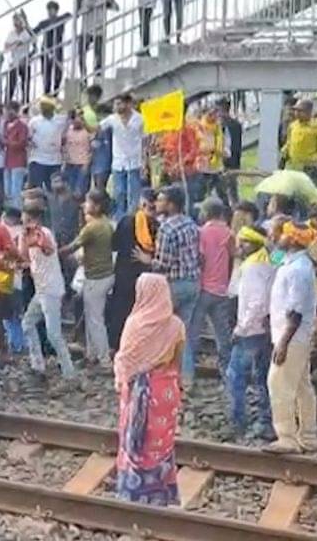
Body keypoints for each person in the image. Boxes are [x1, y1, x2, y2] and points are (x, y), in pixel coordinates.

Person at [114, 273, 184, 505]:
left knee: (135, 437)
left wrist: (122, 381)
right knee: (161, 442)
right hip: (165, 390)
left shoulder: (134, 323)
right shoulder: (176, 325)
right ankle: (161, 492)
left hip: (136, 390)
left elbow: (125, 360)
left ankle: (133, 493)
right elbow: (177, 361)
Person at [264, 222, 317, 454]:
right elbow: (272, 255)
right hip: (296, 336)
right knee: (301, 387)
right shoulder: (294, 264)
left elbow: (295, 311)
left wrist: (283, 342)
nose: (279, 237)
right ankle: (308, 436)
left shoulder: (298, 270)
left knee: (279, 383)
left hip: (292, 337)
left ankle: (286, 437)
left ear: (294, 240)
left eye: (284, 235)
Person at [141, 186, 202, 385]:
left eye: (160, 200)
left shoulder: (167, 229)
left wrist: (147, 260)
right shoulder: (191, 223)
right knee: (183, 332)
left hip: (174, 284)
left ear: (171, 204)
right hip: (192, 282)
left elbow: (163, 264)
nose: (156, 203)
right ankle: (186, 377)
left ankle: (157, 374)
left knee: (158, 328)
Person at [226, 225, 274, 442]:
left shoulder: (253, 267)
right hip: (263, 330)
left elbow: (256, 303)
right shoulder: (265, 262)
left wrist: (241, 328)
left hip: (250, 331)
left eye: (244, 241)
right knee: (263, 377)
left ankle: (238, 420)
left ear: (254, 243)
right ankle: (266, 420)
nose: (240, 245)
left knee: (235, 375)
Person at [19, 203, 76, 384]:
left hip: (50, 290)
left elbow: (49, 248)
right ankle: (38, 365)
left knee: (54, 334)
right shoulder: (29, 235)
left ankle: (69, 372)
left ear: (30, 217)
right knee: (27, 323)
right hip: (42, 289)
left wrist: (34, 239)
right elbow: (27, 259)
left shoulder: (43, 233)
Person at [61, 190, 114, 367]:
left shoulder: (92, 227)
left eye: (88, 202)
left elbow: (72, 247)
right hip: (104, 274)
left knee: (96, 320)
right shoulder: (106, 223)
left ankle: (104, 358)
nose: (84, 205)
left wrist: (52, 252)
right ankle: (92, 354)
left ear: (97, 206)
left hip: (95, 277)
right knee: (92, 317)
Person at [109, 189, 159, 351]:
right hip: (146, 276)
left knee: (120, 312)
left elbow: (114, 244)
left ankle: (117, 345)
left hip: (124, 274)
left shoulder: (126, 221)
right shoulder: (157, 226)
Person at [194, 198, 236, 375]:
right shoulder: (229, 233)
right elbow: (232, 258)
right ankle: (226, 367)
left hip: (204, 287)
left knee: (194, 329)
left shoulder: (202, 232)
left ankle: (190, 361)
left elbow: (201, 259)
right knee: (222, 332)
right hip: (222, 288)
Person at [100, 94, 146, 221]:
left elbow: (146, 139)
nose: (116, 107)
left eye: (119, 104)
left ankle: (132, 219)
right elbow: (97, 128)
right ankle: (120, 219)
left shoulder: (139, 119)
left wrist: (145, 161)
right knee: (119, 192)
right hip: (118, 162)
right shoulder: (112, 119)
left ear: (128, 104)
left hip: (134, 161)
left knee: (133, 194)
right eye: (115, 104)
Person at [75, 0, 117, 79]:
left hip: (98, 31)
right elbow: (76, 14)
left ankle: (98, 75)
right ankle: (83, 76)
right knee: (81, 54)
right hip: (86, 30)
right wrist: (85, 9)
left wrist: (112, 0)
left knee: (98, 54)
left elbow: (116, 8)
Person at [27, 98, 66, 191]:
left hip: (55, 161)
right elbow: (28, 137)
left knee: (54, 190)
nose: (44, 111)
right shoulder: (34, 121)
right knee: (36, 190)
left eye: (47, 109)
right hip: (37, 160)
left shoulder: (61, 121)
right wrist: (30, 142)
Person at [32, 1, 70, 96]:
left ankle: (55, 93)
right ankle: (47, 93)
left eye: (52, 10)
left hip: (57, 49)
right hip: (46, 49)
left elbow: (69, 15)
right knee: (46, 74)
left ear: (56, 11)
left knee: (58, 74)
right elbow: (33, 32)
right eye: (49, 10)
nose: (50, 12)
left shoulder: (60, 19)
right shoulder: (43, 23)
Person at [281, 98, 317, 173]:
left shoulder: (316, 127)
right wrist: (283, 157)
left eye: (300, 111)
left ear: (308, 112)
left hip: (310, 166)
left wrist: (314, 159)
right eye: (295, 110)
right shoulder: (293, 126)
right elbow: (289, 143)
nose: (296, 113)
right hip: (293, 165)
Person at [4, 13, 33, 104]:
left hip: (24, 62)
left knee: (25, 87)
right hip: (14, 63)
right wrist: (15, 44)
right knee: (10, 87)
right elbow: (6, 47)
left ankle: (25, 105)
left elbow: (20, 42)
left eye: (18, 20)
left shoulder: (26, 32)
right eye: (14, 21)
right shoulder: (11, 33)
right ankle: (7, 104)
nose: (16, 23)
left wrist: (14, 44)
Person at [62, 111, 93, 196]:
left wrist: (87, 164)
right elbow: (62, 144)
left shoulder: (88, 133)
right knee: (69, 190)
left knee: (80, 191)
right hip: (69, 164)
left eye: (80, 119)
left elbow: (92, 150)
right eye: (75, 118)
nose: (77, 121)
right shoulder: (68, 130)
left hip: (82, 164)